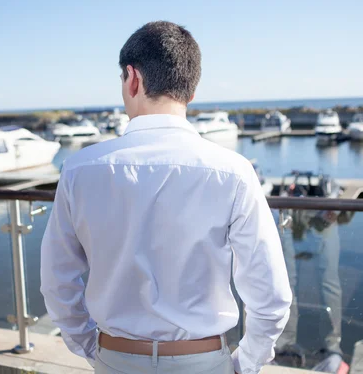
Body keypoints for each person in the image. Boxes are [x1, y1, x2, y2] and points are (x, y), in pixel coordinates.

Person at [40, 21, 292, 374]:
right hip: (205, 363)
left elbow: (58, 281)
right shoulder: (233, 171)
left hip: (115, 359)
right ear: (191, 92)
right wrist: (244, 363)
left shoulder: (79, 169)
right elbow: (271, 297)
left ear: (132, 79)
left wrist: (91, 349)